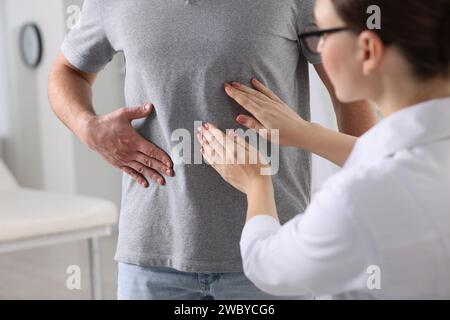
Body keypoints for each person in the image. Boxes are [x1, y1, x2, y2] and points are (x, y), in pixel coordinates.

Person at [48, 0, 377, 300]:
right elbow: (68, 70)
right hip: (151, 254)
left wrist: (369, 200)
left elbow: (350, 90)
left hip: (272, 251)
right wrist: (87, 127)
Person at [197, 0, 450, 299]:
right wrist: (308, 134)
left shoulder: (355, 201)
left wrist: (256, 182)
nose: (318, 49)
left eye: (322, 35)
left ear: (367, 50)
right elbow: (394, 161)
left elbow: (267, 266)